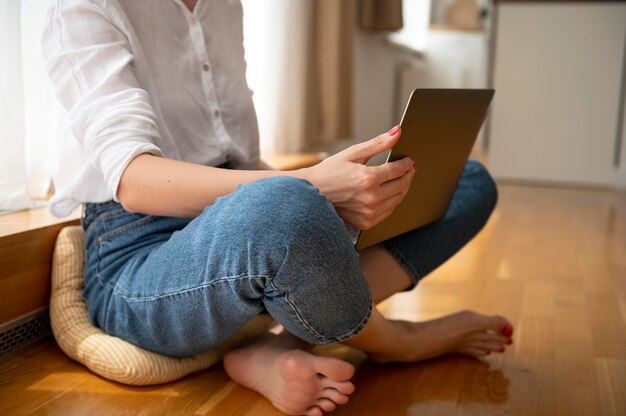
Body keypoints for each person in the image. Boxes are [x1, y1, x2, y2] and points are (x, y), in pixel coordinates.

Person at [42, 1, 513, 415]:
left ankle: (283, 342)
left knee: (466, 181)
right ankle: (395, 342)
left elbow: (243, 167)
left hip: (237, 223)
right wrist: (315, 186)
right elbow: (134, 182)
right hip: (138, 254)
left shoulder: (223, 6)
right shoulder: (84, 6)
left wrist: (353, 184)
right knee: (286, 204)